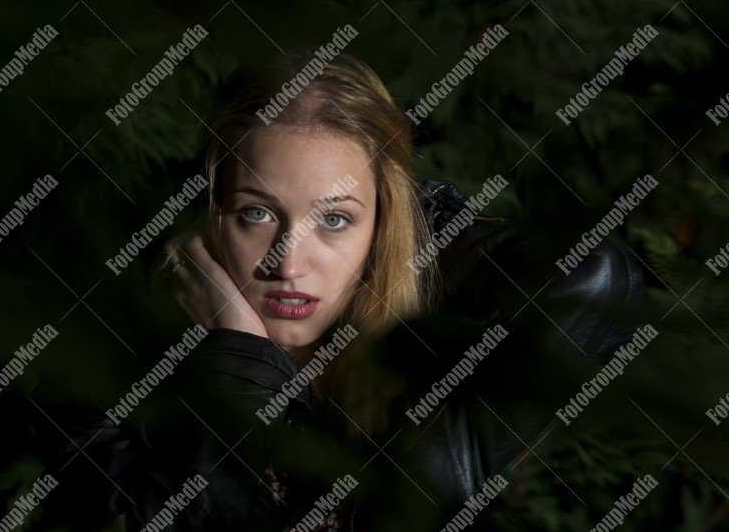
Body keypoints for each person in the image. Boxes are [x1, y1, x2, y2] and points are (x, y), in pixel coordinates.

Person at [33, 51, 645, 531]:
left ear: (382, 227)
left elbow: (596, 277)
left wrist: (409, 233)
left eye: (334, 220)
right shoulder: (102, 383)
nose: (288, 263)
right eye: (257, 213)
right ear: (209, 214)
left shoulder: (423, 375)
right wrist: (237, 356)